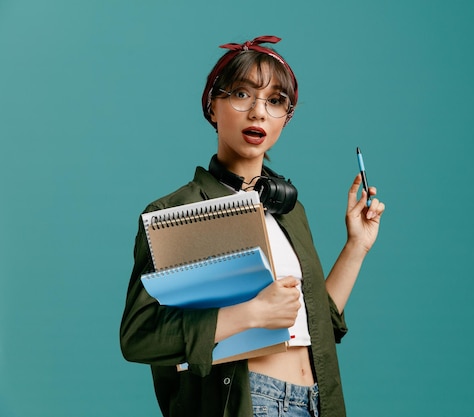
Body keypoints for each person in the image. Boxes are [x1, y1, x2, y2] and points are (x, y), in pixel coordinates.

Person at [120, 35, 385, 417]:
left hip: (317, 401)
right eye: (242, 94)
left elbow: (317, 324)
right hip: (251, 403)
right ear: (213, 105)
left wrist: (356, 247)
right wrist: (251, 314)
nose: (259, 112)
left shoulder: (290, 212)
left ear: (286, 117)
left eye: (275, 101)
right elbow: (139, 337)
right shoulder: (180, 211)